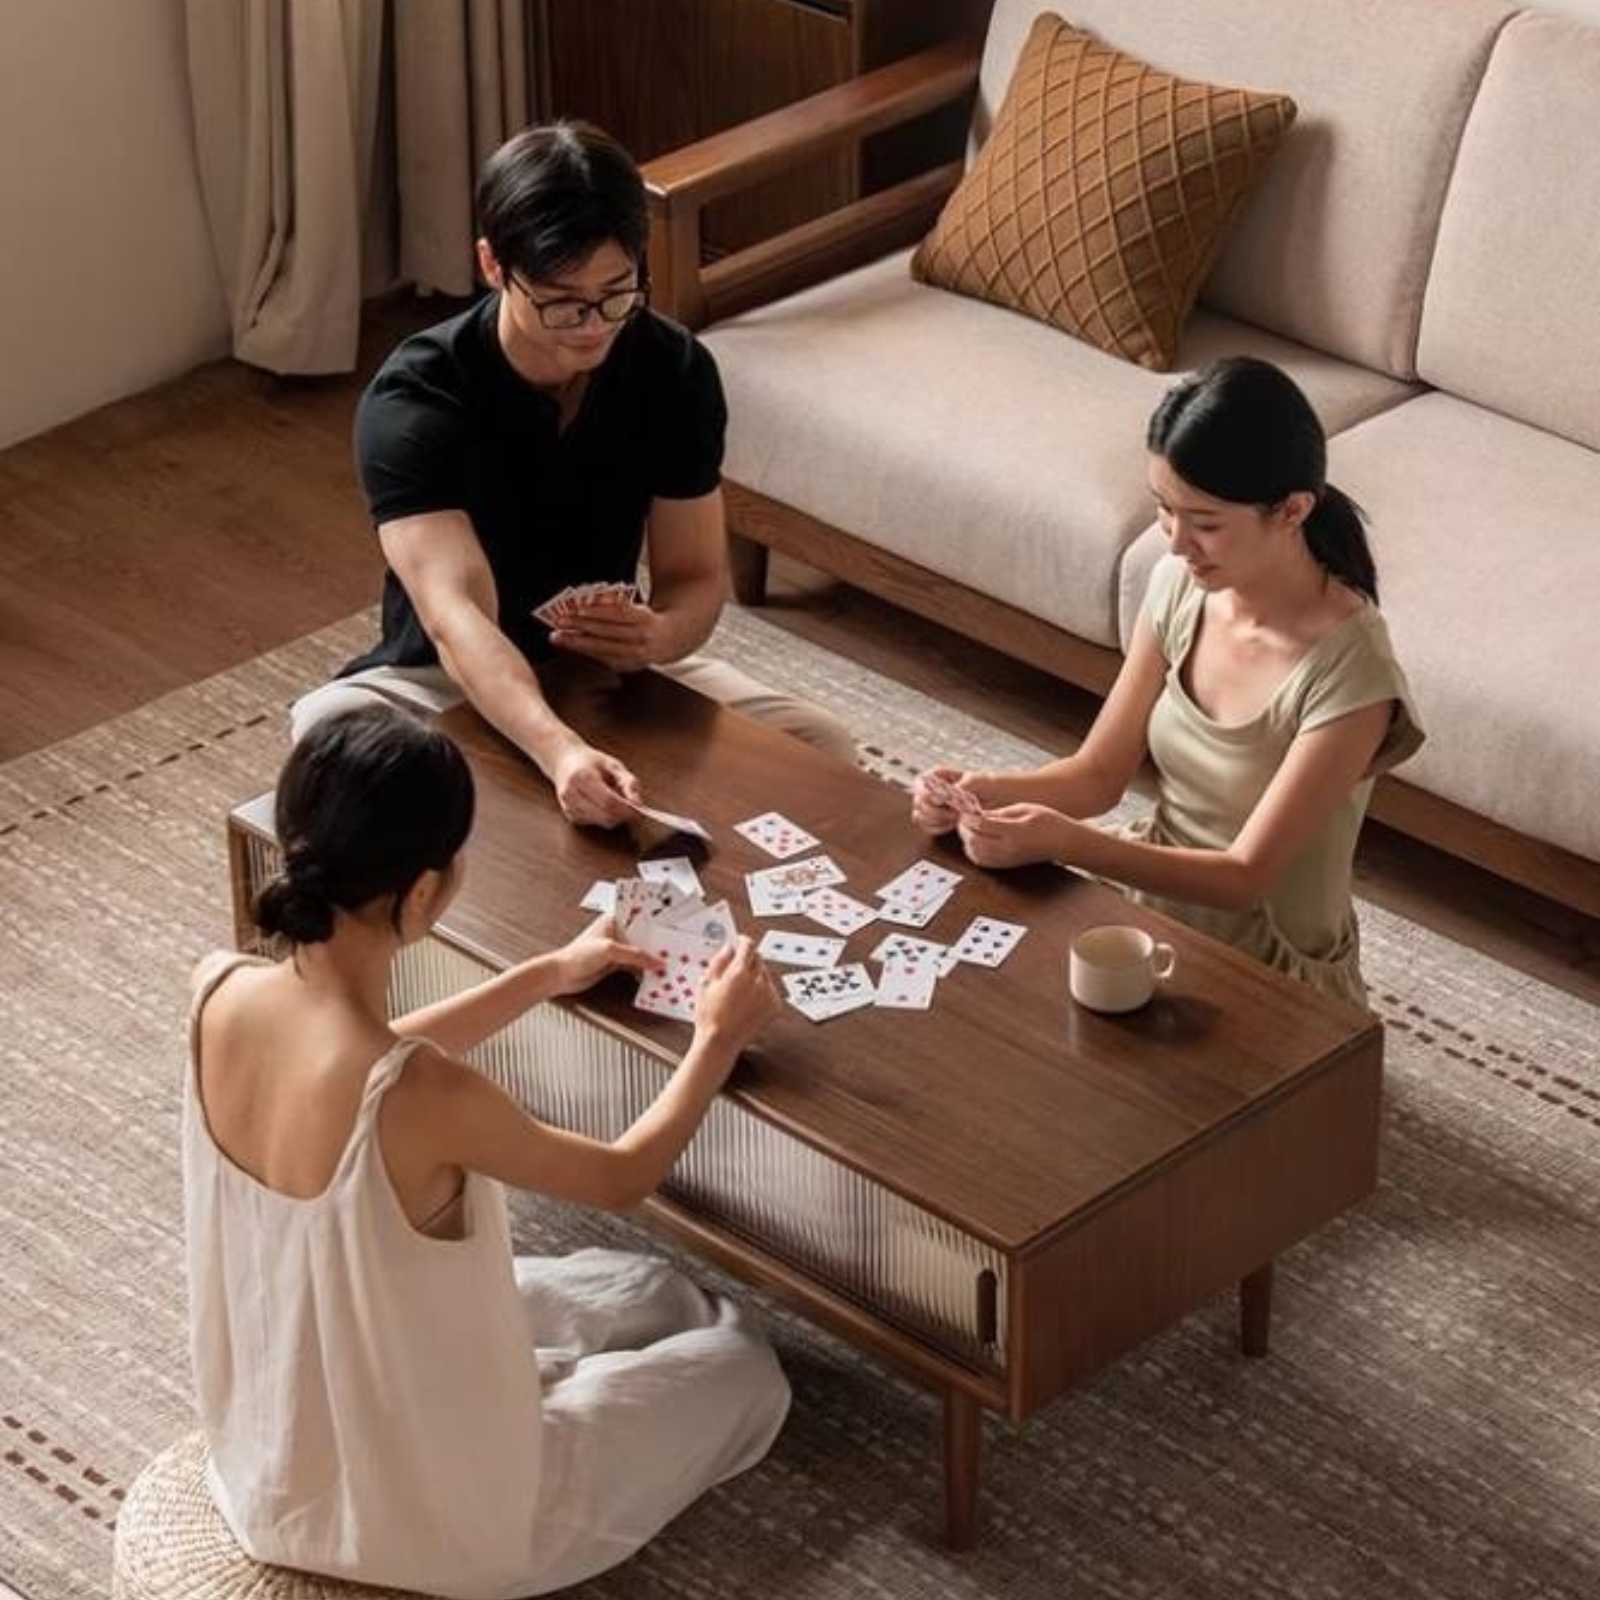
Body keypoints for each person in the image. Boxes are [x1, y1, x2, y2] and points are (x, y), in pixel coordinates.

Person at [185, 704, 790, 1598]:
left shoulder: (217, 989)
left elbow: (359, 1061)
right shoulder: (425, 1095)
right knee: (743, 1366)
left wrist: (545, 973)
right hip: (441, 1523)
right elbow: (623, 1174)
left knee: (649, 1290)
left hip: (274, 1457)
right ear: (425, 891)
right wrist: (716, 1038)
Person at [290, 120, 855, 825]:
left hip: (606, 670)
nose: (592, 325)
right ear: (494, 266)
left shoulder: (672, 369)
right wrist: (558, 750)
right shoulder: (415, 400)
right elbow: (455, 616)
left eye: (617, 293)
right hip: (445, 675)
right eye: (563, 302)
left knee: (821, 748)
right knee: (327, 731)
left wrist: (659, 637)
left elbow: (696, 578)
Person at [911, 357, 1424, 1009]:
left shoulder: (1353, 677)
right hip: (1149, 915)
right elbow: (1097, 776)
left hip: (1271, 969)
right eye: (1164, 510)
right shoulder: (1180, 589)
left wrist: (1069, 843)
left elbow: (1247, 876)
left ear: (1293, 510)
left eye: (1206, 523)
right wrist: (976, 793)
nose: (1179, 543)